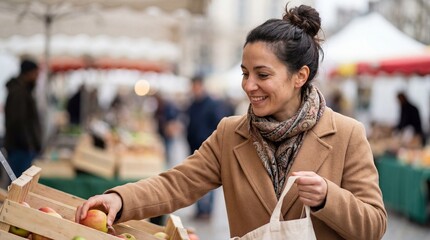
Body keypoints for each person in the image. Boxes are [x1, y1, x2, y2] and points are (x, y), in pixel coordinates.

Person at [75, 4, 387, 239]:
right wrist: (119, 198)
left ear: (300, 76)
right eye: (245, 73)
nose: (248, 85)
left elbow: (373, 225)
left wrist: (327, 198)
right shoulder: (231, 133)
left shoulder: (347, 134)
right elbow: (177, 184)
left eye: (262, 75)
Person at [185, 75, 229, 220]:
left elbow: (218, 123)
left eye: (197, 86)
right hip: (194, 146)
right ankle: (199, 209)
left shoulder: (212, 104)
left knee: (208, 180)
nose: (195, 89)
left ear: (201, 86)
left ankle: (207, 210)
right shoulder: (192, 104)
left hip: (208, 147)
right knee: (195, 180)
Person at [4, 58, 42, 180]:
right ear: (29, 73)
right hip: (20, 148)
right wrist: (28, 144)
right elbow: (17, 121)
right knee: (18, 182)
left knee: (19, 181)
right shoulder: (19, 92)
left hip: (21, 147)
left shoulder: (23, 90)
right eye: (35, 73)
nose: (37, 77)